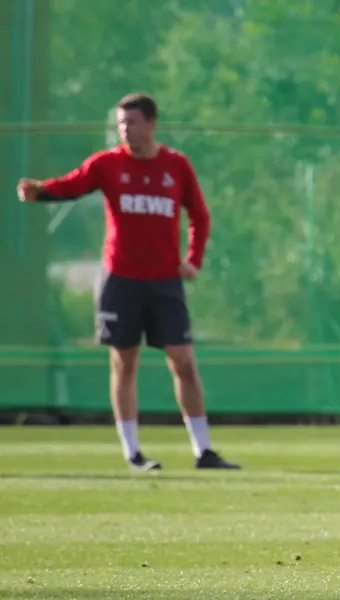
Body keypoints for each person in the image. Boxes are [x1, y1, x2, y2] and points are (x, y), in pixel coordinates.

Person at [16, 93, 239, 472]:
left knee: (183, 360)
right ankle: (133, 453)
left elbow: (199, 215)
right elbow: (71, 184)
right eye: (121, 123)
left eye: (132, 122)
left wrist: (193, 260)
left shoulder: (176, 165)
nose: (125, 129)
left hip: (165, 281)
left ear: (151, 123)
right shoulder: (108, 164)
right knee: (124, 363)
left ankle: (204, 451)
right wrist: (38, 190)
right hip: (121, 279)